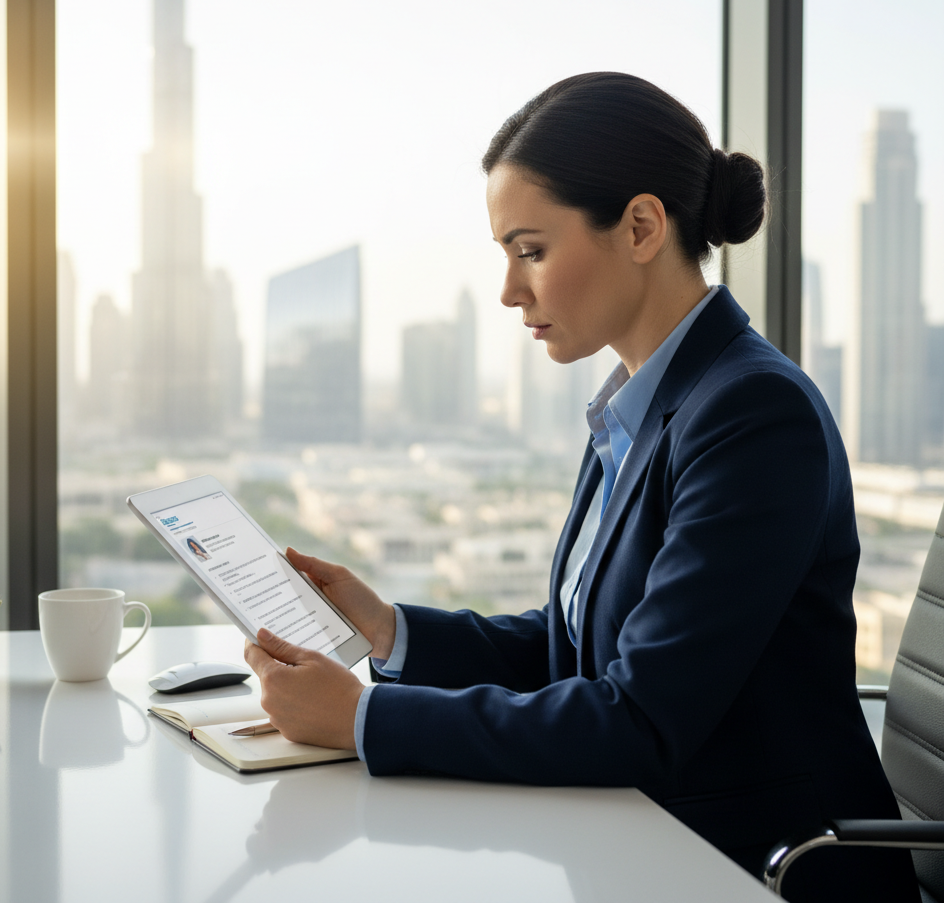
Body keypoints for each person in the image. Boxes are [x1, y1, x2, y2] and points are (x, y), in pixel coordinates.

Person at [244, 73, 918, 902]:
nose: (509, 290)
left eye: (531, 250)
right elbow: (574, 648)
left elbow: (638, 717)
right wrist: (390, 634)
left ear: (640, 226)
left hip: (757, 866)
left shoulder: (751, 413)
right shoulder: (636, 405)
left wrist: (359, 719)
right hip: (639, 842)